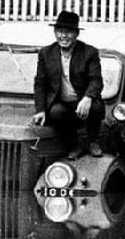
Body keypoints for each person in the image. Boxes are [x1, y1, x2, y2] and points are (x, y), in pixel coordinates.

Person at [32, 10, 104, 160]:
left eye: (68, 32)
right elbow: (40, 83)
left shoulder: (89, 53)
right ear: (55, 32)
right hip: (62, 103)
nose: (63, 36)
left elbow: (96, 80)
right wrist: (40, 110)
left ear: (77, 34)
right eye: (59, 31)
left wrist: (88, 97)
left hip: (83, 101)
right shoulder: (46, 53)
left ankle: (93, 141)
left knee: (96, 108)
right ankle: (75, 145)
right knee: (55, 112)